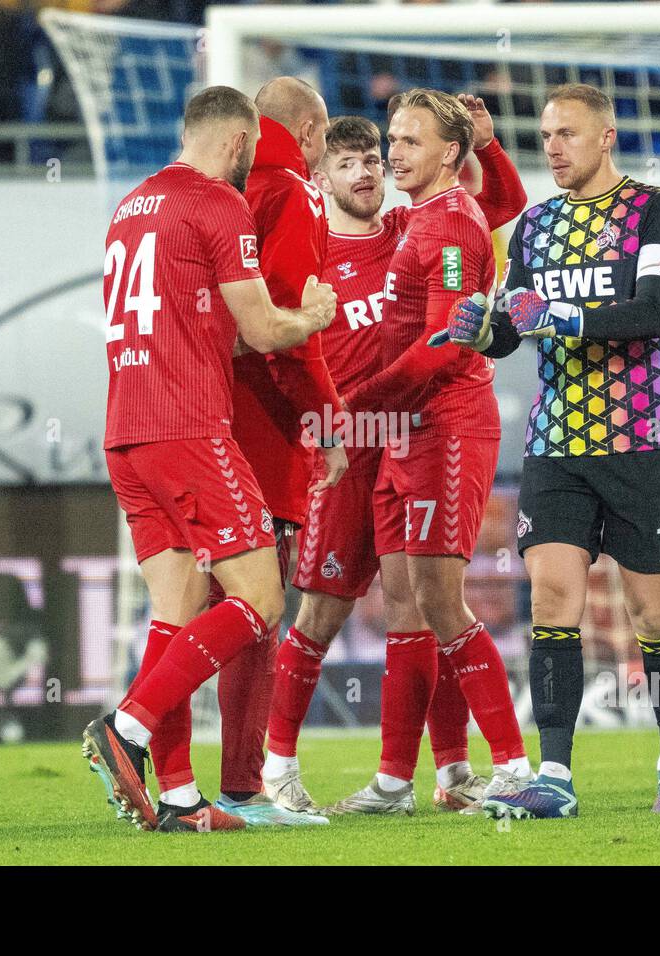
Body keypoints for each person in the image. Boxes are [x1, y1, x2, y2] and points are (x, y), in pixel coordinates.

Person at [439, 83, 660, 818]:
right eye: (546, 135)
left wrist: (555, 311)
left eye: (568, 134)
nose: (552, 147)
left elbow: (651, 313)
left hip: (641, 440)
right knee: (553, 601)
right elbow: (512, 330)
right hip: (557, 442)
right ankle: (554, 775)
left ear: (607, 136)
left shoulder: (655, 210)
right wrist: (478, 328)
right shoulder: (534, 226)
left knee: (652, 616)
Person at [262, 102, 530, 815]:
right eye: (347, 161)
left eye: (382, 154)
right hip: (348, 447)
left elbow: (499, 205)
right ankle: (278, 768)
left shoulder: (416, 226)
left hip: (414, 429)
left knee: (421, 605)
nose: (371, 168)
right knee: (320, 608)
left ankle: (439, 773)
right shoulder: (307, 247)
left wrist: (490, 142)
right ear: (318, 177)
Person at [81, 85, 336, 833]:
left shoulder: (130, 208)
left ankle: (182, 798)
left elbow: (198, 321)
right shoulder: (219, 203)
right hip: (188, 429)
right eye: (252, 148)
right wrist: (312, 317)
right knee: (258, 599)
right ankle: (128, 725)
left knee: (175, 610)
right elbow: (262, 331)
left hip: (125, 430)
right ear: (236, 141)